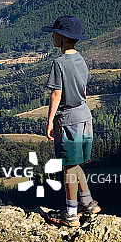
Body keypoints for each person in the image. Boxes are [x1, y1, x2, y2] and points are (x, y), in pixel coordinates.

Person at [42, 16, 101, 227]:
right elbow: (83, 90)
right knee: (74, 163)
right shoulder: (81, 60)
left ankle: (70, 213)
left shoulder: (59, 63)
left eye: (55, 34)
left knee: (67, 167)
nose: (53, 37)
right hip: (84, 116)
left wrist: (50, 121)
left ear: (64, 37)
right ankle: (88, 203)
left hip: (68, 120)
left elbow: (56, 95)